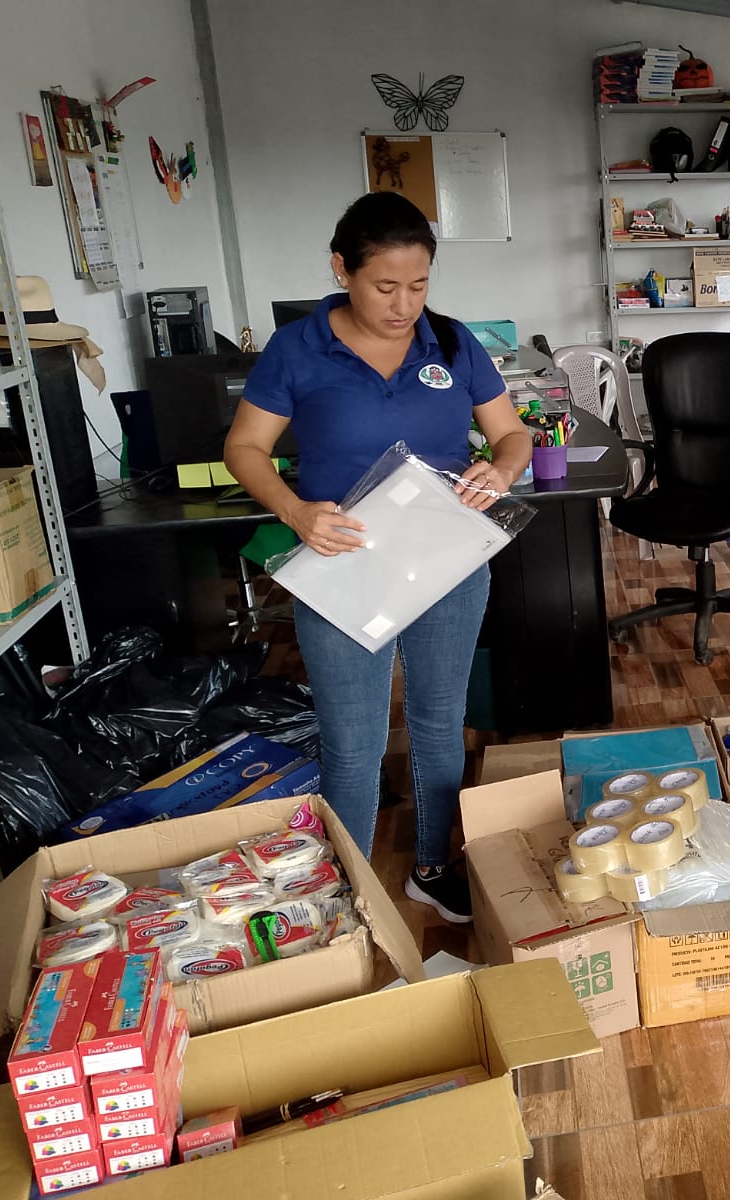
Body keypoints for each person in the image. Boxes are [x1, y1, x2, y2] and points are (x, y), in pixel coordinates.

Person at [224, 192, 531, 924]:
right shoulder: (297, 349)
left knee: (439, 721)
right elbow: (244, 448)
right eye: (384, 286)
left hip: (446, 560)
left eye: (418, 285)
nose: (404, 305)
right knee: (353, 742)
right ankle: (352, 894)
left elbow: (513, 434)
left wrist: (501, 469)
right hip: (341, 564)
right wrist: (295, 510)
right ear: (342, 269)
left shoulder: (452, 343)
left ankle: (433, 866)